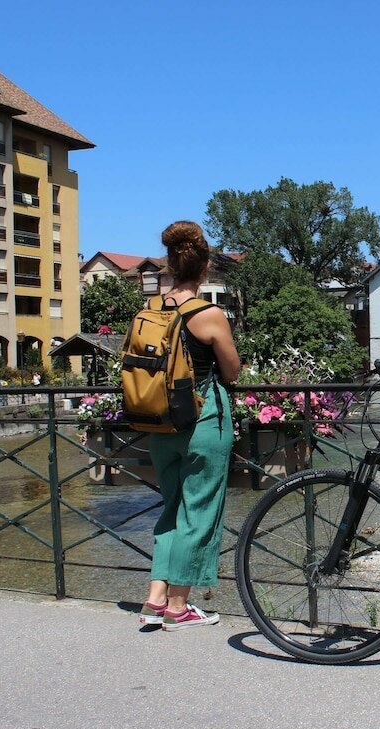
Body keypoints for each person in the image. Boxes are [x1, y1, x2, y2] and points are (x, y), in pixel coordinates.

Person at [138, 221, 240, 631]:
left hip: (158, 422)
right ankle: (178, 607)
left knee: (171, 508)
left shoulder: (149, 311)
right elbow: (231, 372)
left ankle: (155, 599)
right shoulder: (208, 314)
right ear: (204, 269)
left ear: (169, 266)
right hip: (202, 420)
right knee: (199, 510)